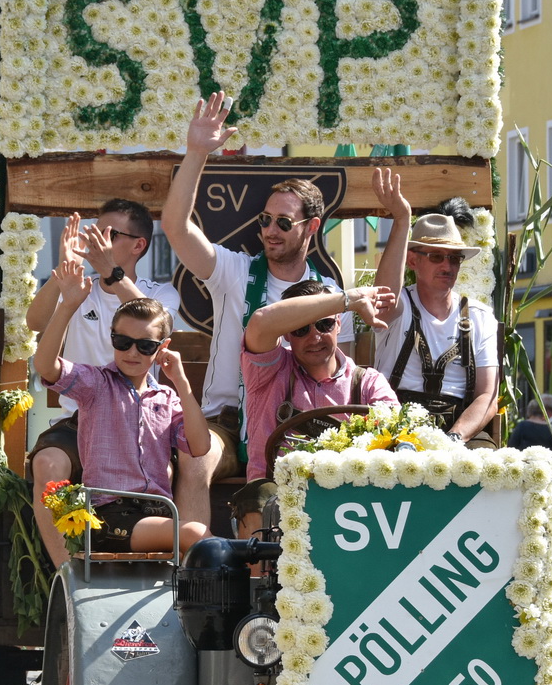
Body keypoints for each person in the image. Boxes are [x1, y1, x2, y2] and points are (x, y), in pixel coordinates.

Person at [161, 92, 366, 535]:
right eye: (265, 221)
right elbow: (176, 229)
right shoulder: (235, 271)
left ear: (312, 227)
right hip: (228, 421)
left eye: (283, 223)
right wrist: (196, 152)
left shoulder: (329, 298)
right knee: (195, 459)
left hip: (294, 422)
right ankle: (198, 576)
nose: (270, 231)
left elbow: (341, 376)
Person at [24, 203, 183, 567]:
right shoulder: (81, 287)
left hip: (141, 418)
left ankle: (177, 569)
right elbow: (34, 322)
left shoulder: (159, 292)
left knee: (181, 467)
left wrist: (110, 272)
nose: (95, 240)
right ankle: (68, 575)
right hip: (81, 416)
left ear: (138, 245)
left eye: (109, 234)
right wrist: (64, 272)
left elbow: (153, 322)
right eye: (93, 231)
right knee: (47, 464)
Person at [36, 263, 211, 554]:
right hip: (109, 516)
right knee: (196, 534)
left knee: (197, 541)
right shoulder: (96, 384)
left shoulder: (166, 397)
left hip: (158, 514)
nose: (131, 352)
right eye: (122, 342)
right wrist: (67, 308)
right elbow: (46, 366)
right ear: (112, 338)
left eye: (145, 346)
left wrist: (181, 382)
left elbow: (200, 445)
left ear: (162, 348)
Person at [234, 280, 399, 534]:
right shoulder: (269, 370)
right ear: (287, 333)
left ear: (338, 325)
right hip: (279, 497)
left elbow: (398, 431)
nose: (315, 336)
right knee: (259, 496)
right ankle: (257, 575)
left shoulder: (368, 382)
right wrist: (348, 300)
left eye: (324, 323)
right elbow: (260, 321)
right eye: (300, 329)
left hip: (351, 500)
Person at [371, 208, 499, 440]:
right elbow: (384, 293)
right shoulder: (398, 307)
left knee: (487, 468)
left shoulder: (480, 317)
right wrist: (401, 220)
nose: (448, 267)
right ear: (412, 260)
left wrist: (454, 438)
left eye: (454, 258)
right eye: (436, 257)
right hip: (394, 424)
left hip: (460, 428)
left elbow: (487, 396)